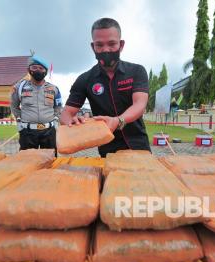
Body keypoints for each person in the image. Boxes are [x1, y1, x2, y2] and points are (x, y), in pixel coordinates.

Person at [60, 18, 150, 157]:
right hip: (107, 149)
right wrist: (70, 121)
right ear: (93, 47)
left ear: (121, 45)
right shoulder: (85, 79)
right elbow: (66, 113)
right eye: (99, 45)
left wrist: (118, 121)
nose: (105, 49)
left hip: (138, 144)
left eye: (112, 44)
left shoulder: (136, 71)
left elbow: (140, 104)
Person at [10, 54, 62, 151]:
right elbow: (14, 105)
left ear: (45, 71)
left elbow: (58, 107)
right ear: (29, 70)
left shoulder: (53, 89)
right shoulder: (19, 87)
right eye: (34, 67)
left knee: (49, 160)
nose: (37, 70)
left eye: (41, 68)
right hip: (27, 131)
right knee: (28, 162)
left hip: (49, 132)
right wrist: (19, 120)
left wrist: (55, 119)